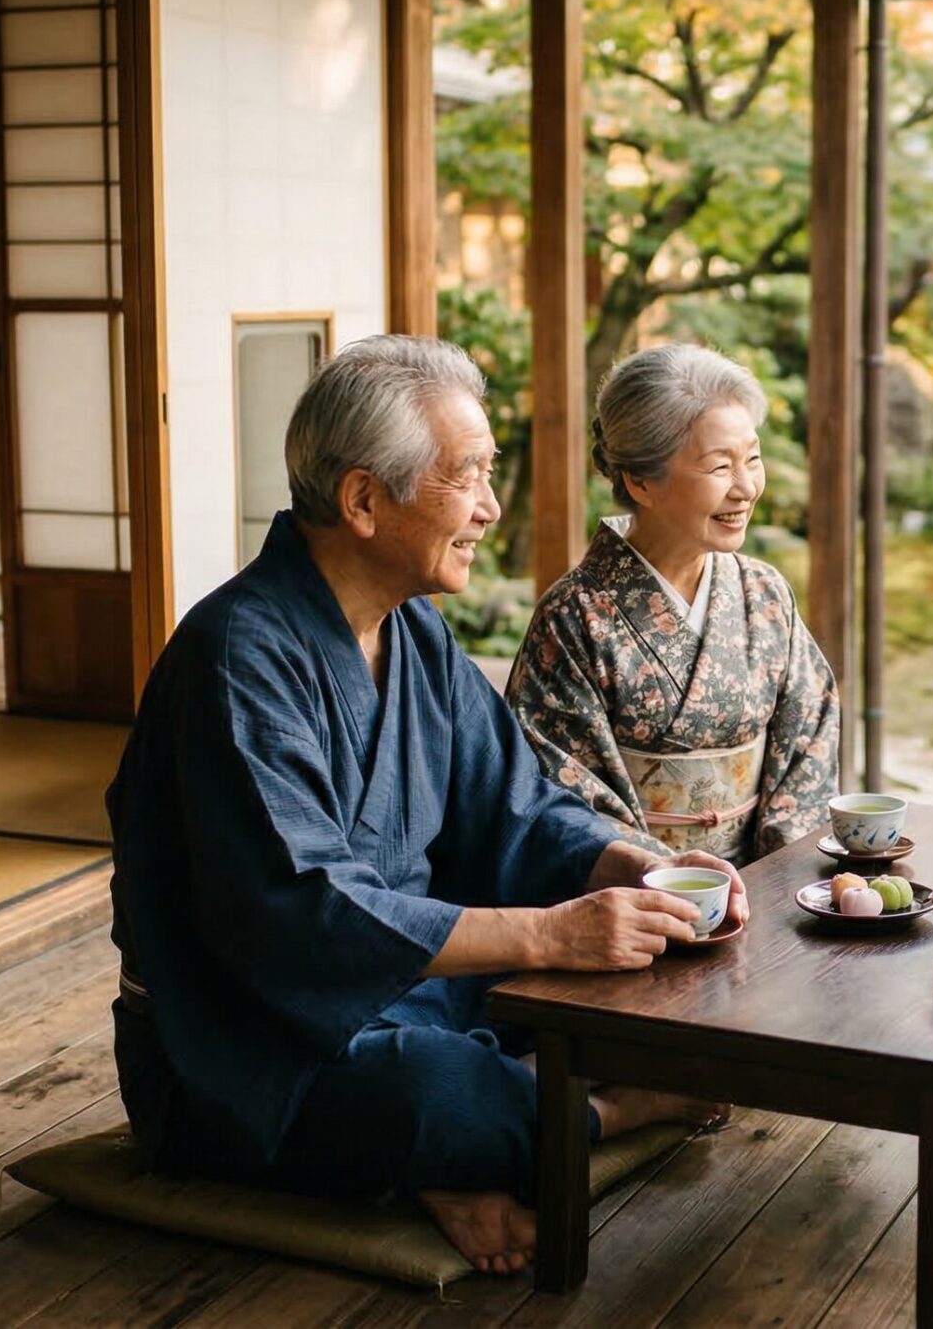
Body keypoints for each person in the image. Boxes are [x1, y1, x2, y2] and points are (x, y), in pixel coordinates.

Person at [107, 335, 743, 1276]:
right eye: (466, 478)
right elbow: (305, 912)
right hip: (241, 1043)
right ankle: (614, 1108)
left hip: (410, 992)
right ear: (363, 499)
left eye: (490, 475)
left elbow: (517, 809)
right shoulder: (237, 658)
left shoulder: (415, 635)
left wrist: (633, 865)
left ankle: (463, 1145)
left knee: (641, 988)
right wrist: (550, 935)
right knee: (438, 1087)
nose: (490, 509)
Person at [505, 345, 839, 864]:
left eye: (752, 458)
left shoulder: (765, 595)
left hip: (765, 884)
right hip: (638, 897)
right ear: (641, 481)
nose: (747, 486)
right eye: (719, 466)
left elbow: (808, 745)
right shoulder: (574, 618)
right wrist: (667, 875)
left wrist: (778, 874)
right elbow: (561, 791)